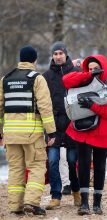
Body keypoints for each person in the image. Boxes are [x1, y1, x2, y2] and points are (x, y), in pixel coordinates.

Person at [0, 45, 56, 216]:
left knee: (16, 168)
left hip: (11, 134)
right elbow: (45, 107)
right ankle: (31, 202)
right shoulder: (37, 78)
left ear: (20, 58)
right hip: (32, 134)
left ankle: (15, 206)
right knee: (37, 166)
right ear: (34, 60)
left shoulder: (5, 79)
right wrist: (51, 131)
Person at [62, 54, 107, 215]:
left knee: (100, 166)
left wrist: (93, 106)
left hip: (103, 131)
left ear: (104, 68)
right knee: (83, 165)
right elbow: (66, 81)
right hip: (83, 130)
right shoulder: (82, 80)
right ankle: (84, 203)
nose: (94, 71)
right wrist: (87, 75)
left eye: (96, 68)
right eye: (90, 68)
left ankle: (97, 203)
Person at [43, 42, 81, 210]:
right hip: (54, 127)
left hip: (73, 125)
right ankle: (55, 196)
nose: (57, 56)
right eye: (55, 53)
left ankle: (76, 192)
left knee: (73, 161)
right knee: (52, 162)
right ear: (52, 56)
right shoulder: (45, 77)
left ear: (66, 54)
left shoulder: (76, 72)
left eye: (60, 53)